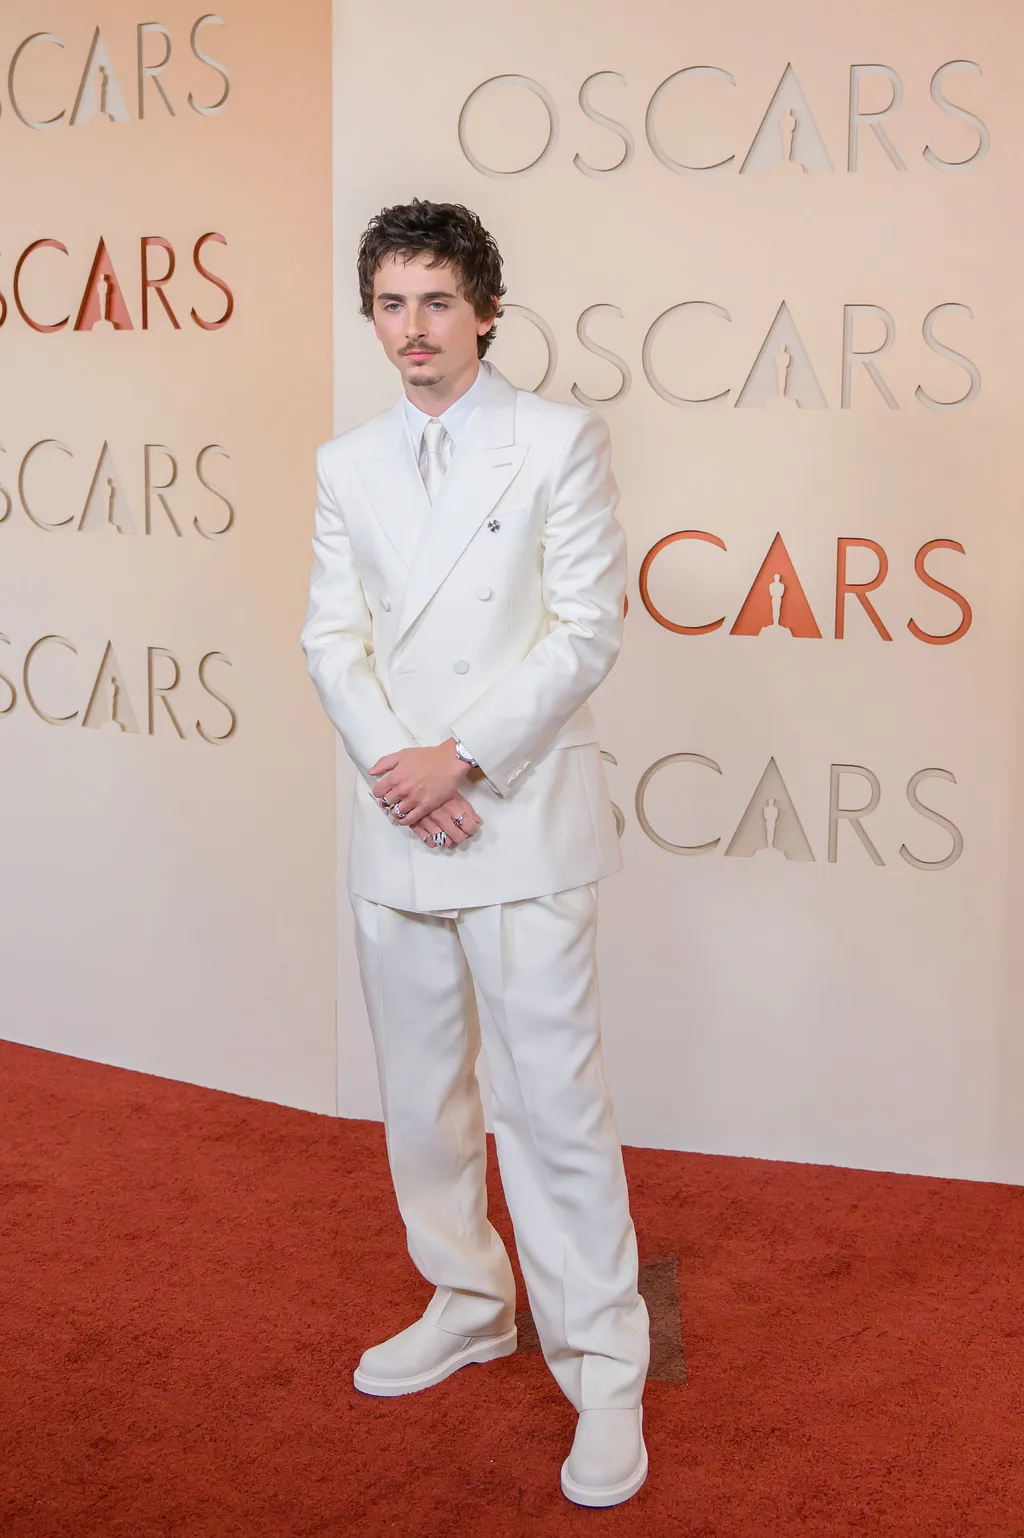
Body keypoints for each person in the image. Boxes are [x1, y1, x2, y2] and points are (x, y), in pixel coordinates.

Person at [300, 199, 650, 1509]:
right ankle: (466, 1294)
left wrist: (465, 758)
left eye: (436, 301)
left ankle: (606, 1360)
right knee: (422, 1094)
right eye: (390, 303)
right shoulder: (348, 463)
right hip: (401, 819)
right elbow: (332, 639)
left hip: (515, 814)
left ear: (487, 308)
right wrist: (404, 765)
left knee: (552, 1104)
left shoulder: (556, 439)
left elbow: (583, 632)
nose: (412, 329)